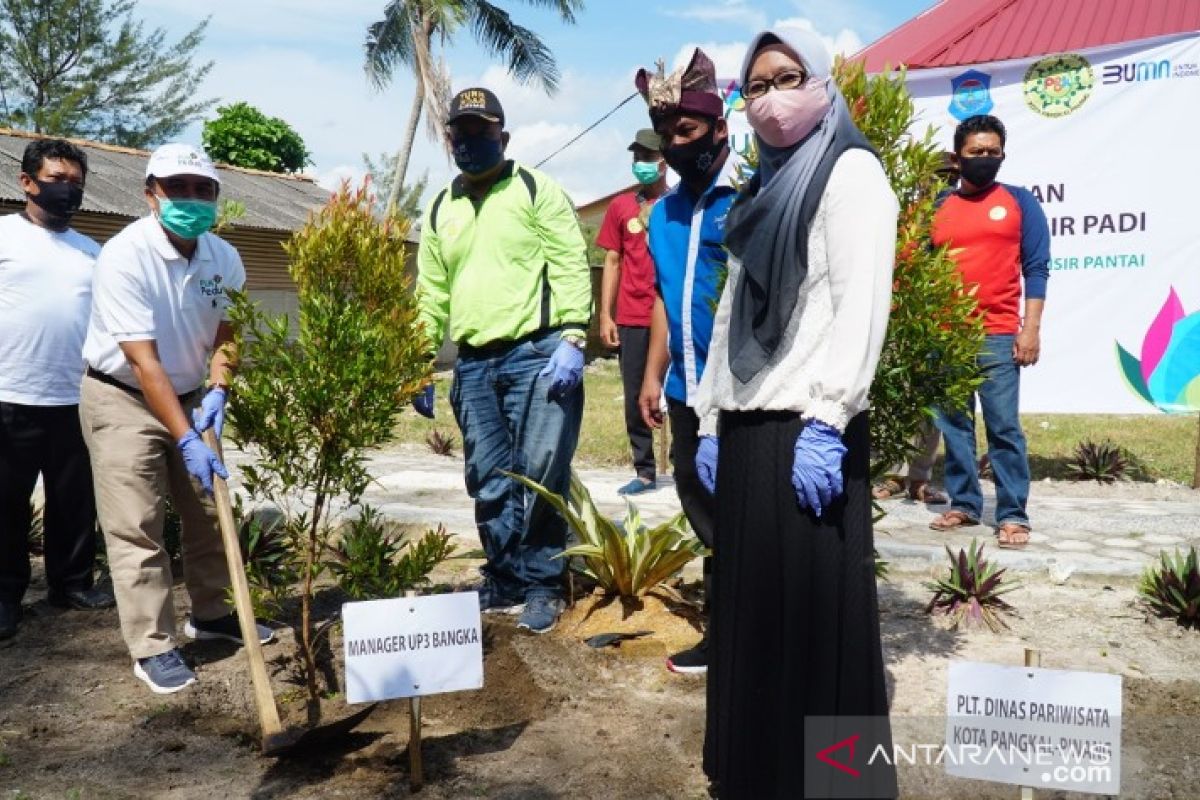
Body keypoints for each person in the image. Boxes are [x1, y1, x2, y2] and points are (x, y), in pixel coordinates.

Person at [693, 29, 899, 797]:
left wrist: (829, 419)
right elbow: (728, 321)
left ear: (821, 83)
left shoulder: (851, 176)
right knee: (753, 624)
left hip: (812, 429)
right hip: (748, 434)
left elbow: (860, 307)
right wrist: (712, 419)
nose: (772, 97)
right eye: (755, 85)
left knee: (824, 624)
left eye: (788, 77)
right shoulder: (761, 190)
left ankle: (842, 787)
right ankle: (755, 776)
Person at [80, 143, 272, 694]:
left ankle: (211, 616)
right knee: (137, 524)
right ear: (151, 194)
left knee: (210, 511)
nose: (191, 199)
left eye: (202, 189)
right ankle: (153, 645)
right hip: (121, 395)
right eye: (177, 189)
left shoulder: (224, 257)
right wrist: (187, 436)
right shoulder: (124, 256)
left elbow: (227, 334)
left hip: (191, 393)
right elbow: (143, 363)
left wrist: (218, 387)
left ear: (215, 196)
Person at [416, 87, 592, 635]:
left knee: (541, 473)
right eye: (460, 132)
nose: (470, 141)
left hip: (538, 356)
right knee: (488, 478)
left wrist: (574, 336)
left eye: (481, 131)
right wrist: (422, 358)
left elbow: (568, 261)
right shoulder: (441, 207)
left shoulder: (536, 190)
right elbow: (431, 290)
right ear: (449, 139)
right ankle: (504, 579)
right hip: (473, 365)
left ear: (504, 137)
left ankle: (542, 584)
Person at [633, 48, 736, 675]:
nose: (675, 144)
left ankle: (745, 633)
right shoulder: (664, 214)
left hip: (744, 395)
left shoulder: (752, 198)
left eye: (688, 131)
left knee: (746, 516)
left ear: (720, 129)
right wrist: (651, 374)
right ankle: (728, 634)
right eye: (667, 134)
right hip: (685, 389)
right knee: (702, 508)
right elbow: (666, 301)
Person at [0, 138, 115, 641]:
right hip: (9, 393)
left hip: (76, 396)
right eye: (56, 179)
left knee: (75, 500)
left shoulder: (93, 253)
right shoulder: (3, 236)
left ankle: (70, 584)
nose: (66, 190)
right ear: (27, 182)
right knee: (5, 503)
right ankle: (4, 598)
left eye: (75, 183)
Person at [928, 114, 1050, 549]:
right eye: (975, 152)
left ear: (1002, 154)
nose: (984, 159)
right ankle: (963, 502)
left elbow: (1036, 270)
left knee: (1003, 429)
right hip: (946, 336)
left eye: (992, 152)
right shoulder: (938, 206)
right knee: (954, 425)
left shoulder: (1019, 201)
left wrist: (1029, 329)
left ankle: (1013, 513)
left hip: (998, 333)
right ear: (958, 155)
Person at [596, 128, 668, 496]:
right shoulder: (621, 207)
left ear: (664, 160)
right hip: (633, 317)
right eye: (637, 157)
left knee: (684, 395)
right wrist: (606, 316)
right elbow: (611, 260)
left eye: (648, 156)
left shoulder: (678, 203)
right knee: (634, 394)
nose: (641, 164)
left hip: (672, 316)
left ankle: (694, 467)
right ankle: (645, 470)